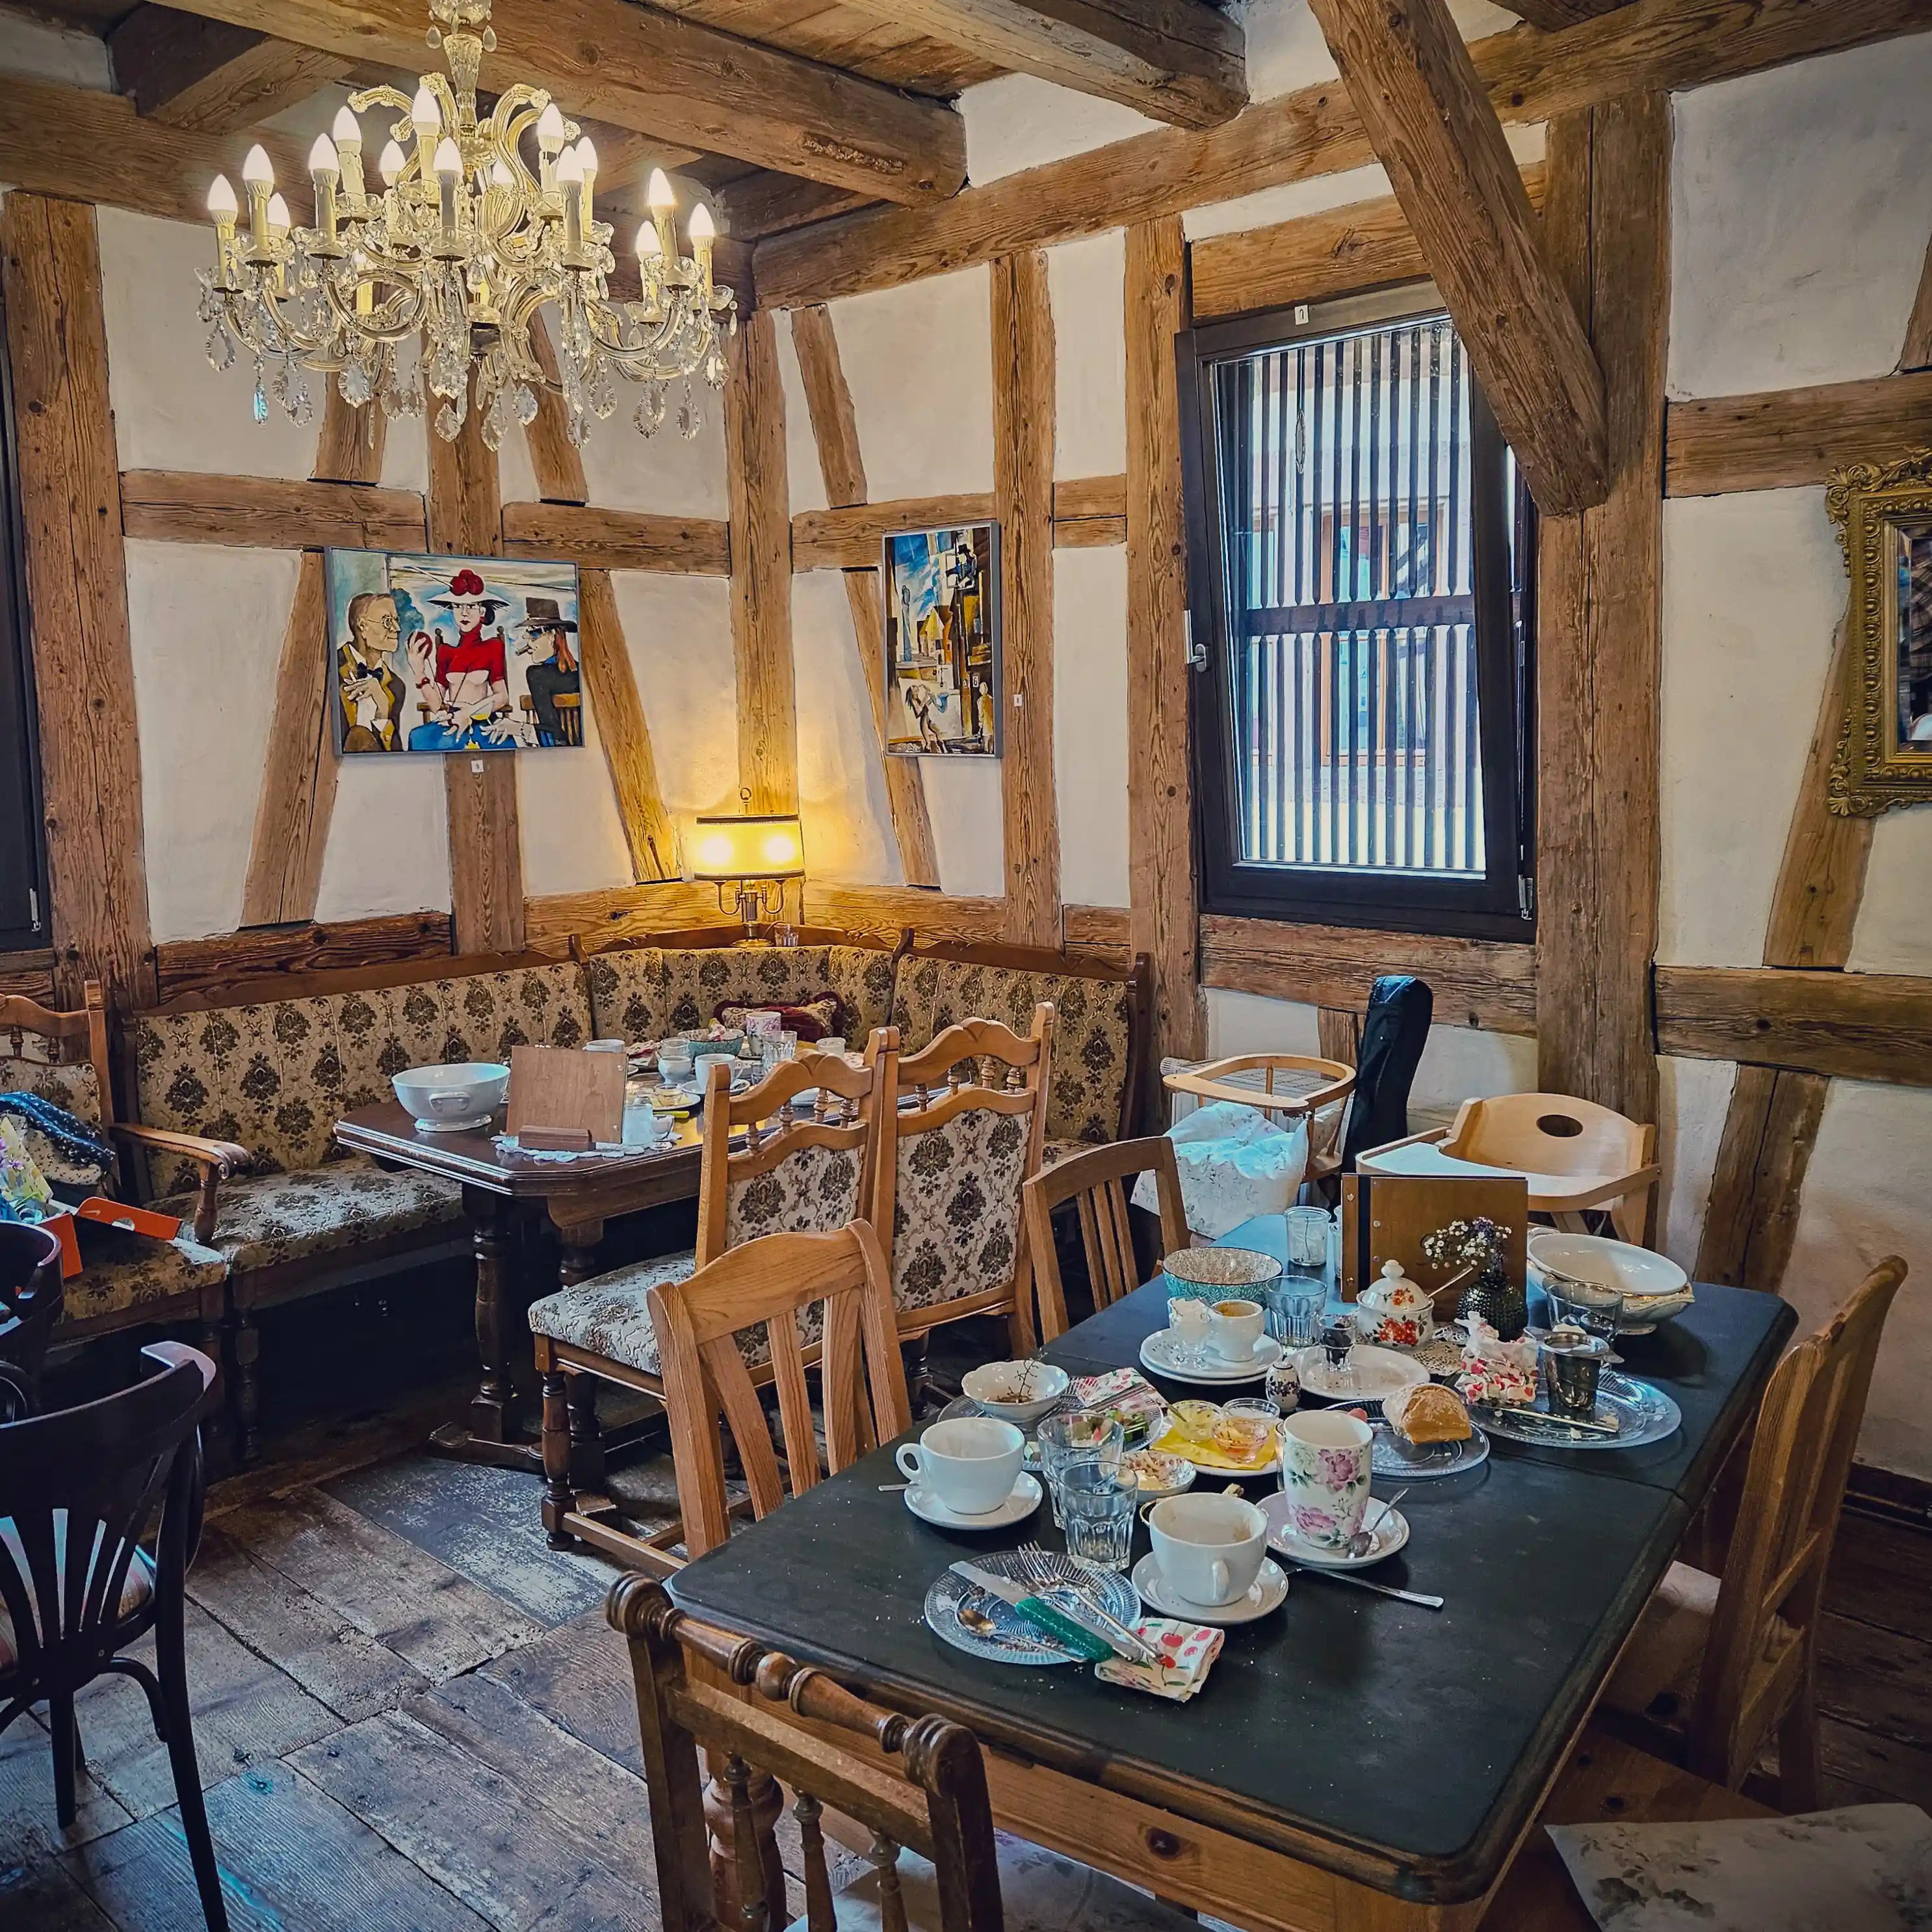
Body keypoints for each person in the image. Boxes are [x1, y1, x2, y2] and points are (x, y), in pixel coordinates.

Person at [406, 567, 521, 750]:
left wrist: (470, 713)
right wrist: (418, 671)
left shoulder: (492, 647)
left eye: (471, 606)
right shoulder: (445, 652)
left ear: (482, 611)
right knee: (418, 737)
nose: (464, 613)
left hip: (481, 721)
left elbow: (502, 697)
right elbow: (437, 705)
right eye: (458, 606)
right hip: (451, 720)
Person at [335, 592, 406, 751]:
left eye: (396, 620)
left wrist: (383, 710)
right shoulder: (332, 668)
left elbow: (396, 755)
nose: (397, 628)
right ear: (362, 626)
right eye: (387, 622)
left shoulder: (396, 686)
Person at [516, 595, 581, 745]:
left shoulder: (537, 674)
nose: (528, 643)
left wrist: (518, 728)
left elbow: (554, 734)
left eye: (533, 634)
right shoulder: (578, 671)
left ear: (552, 636)